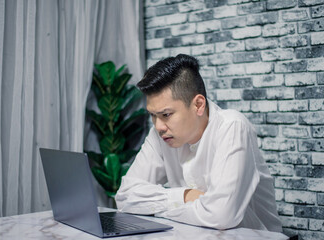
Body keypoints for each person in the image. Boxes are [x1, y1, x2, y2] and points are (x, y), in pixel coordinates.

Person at [115, 54, 282, 232]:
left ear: (198, 105)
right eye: (152, 115)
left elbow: (220, 216)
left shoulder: (232, 127)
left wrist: (156, 207)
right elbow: (125, 196)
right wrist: (185, 196)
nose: (158, 126)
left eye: (166, 115)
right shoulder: (159, 135)